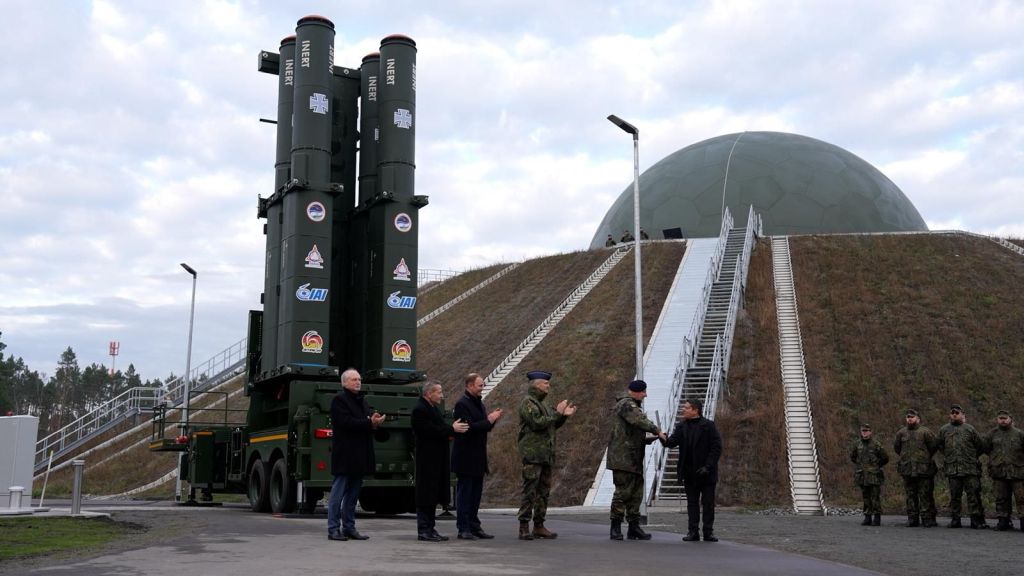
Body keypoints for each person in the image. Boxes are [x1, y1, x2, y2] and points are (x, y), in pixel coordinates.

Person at [517, 370, 576, 540]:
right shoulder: (528, 403)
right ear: (536, 385)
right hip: (533, 455)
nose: (548, 386)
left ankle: (539, 525)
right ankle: (523, 526)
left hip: (544, 455)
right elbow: (537, 423)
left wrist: (562, 416)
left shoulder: (541, 404)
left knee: (543, 492)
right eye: (545, 383)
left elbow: (551, 425)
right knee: (530, 491)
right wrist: (557, 413)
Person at [328, 368, 385, 541]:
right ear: (345, 382)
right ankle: (333, 529)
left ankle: (349, 527)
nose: (358, 382)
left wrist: (375, 422)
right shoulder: (339, 400)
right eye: (354, 379)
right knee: (338, 494)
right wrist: (369, 422)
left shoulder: (362, 401)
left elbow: (364, 423)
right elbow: (346, 423)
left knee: (353, 495)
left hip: (361, 455)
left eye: (359, 379)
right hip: (345, 455)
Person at [606, 379, 666, 541]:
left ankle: (634, 527)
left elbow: (629, 432)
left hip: (632, 458)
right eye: (643, 392)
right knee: (622, 493)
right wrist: (658, 431)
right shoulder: (627, 404)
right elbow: (639, 421)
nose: (645, 395)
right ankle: (615, 527)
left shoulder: (629, 405)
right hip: (623, 459)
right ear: (636, 391)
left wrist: (647, 439)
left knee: (635, 494)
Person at [411, 381, 469, 542]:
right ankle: (424, 529)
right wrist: (452, 429)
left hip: (436, 458)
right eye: (439, 392)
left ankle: (430, 528)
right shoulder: (419, 410)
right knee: (426, 494)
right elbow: (429, 431)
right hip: (427, 459)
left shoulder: (432, 409)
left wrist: (451, 428)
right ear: (429, 394)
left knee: (433, 493)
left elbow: (440, 428)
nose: (442, 395)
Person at [451, 373, 503, 540]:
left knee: (475, 495)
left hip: (478, 457)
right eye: (480, 385)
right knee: (465, 494)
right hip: (466, 457)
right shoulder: (462, 404)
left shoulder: (478, 403)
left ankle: (474, 525)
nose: (483, 388)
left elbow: (484, 428)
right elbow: (468, 428)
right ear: (470, 385)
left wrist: (492, 421)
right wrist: (489, 420)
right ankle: (463, 527)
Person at [663, 398, 722, 542]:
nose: (684, 409)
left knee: (708, 504)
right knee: (692, 503)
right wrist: (661, 437)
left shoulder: (708, 425)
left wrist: (708, 466)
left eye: (687, 407)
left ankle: (708, 532)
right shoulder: (681, 426)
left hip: (706, 472)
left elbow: (716, 448)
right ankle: (693, 531)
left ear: (695, 410)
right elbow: (671, 443)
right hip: (689, 472)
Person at [937, 404, 989, 529]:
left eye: (957, 412)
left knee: (973, 495)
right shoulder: (944, 430)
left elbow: (981, 446)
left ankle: (975, 520)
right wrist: (949, 456)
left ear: (963, 415)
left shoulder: (970, 429)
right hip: (953, 468)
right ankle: (955, 520)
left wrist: (971, 457)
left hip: (969, 469)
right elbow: (939, 445)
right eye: (952, 412)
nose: (954, 414)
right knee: (955, 495)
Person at [893, 408, 939, 527]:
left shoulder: (926, 432)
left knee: (926, 495)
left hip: (924, 470)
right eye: (908, 417)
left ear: (918, 419)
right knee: (910, 495)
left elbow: (933, 447)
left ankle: (927, 518)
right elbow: (897, 448)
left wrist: (923, 458)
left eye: (912, 417)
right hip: (907, 469)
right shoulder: (901, 433)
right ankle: (912, 518)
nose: (910, 419)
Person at [983, 410, 1024, 531]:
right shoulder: (992, 434)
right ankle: (1003, 521)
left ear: (1010, 419)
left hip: (1018, 473)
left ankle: (1023, 521)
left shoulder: (1019, 434)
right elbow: (985, 448)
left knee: (1021, 498)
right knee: (1001, 498)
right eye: (1000, 418)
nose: (1003, 420)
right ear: (997, 419)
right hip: (999, 472)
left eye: (1005, 418)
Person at [850, 423, 889, 526]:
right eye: (863, 431)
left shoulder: (876, 444)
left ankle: (877, 518)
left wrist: (876, 466)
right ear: (861, 432)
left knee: (875, 497)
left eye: (866, 431)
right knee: (865, 497)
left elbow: (885, 458)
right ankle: (867, 517)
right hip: (862, 475)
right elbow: (853, 457)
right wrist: (860, 466)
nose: (865, 433)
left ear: (870, 432)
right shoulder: (857, 444)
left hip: (874, 475)